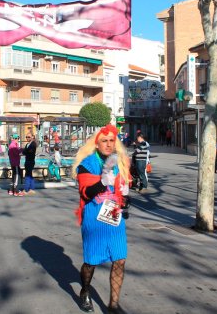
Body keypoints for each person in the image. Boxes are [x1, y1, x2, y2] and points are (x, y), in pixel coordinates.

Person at [72, 124, 131, 314]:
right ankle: (85, 290)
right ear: (96, 144)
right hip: (94, 217)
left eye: (111, 141)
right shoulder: (87, 164)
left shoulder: (120, 162)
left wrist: (125, 198)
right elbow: (86, 193)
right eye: (104, 141)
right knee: (91, 261)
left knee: (120, 259)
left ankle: (113, 305)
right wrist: (101, 183)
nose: (108, 144)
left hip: (114, 217)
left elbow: (123, 194)